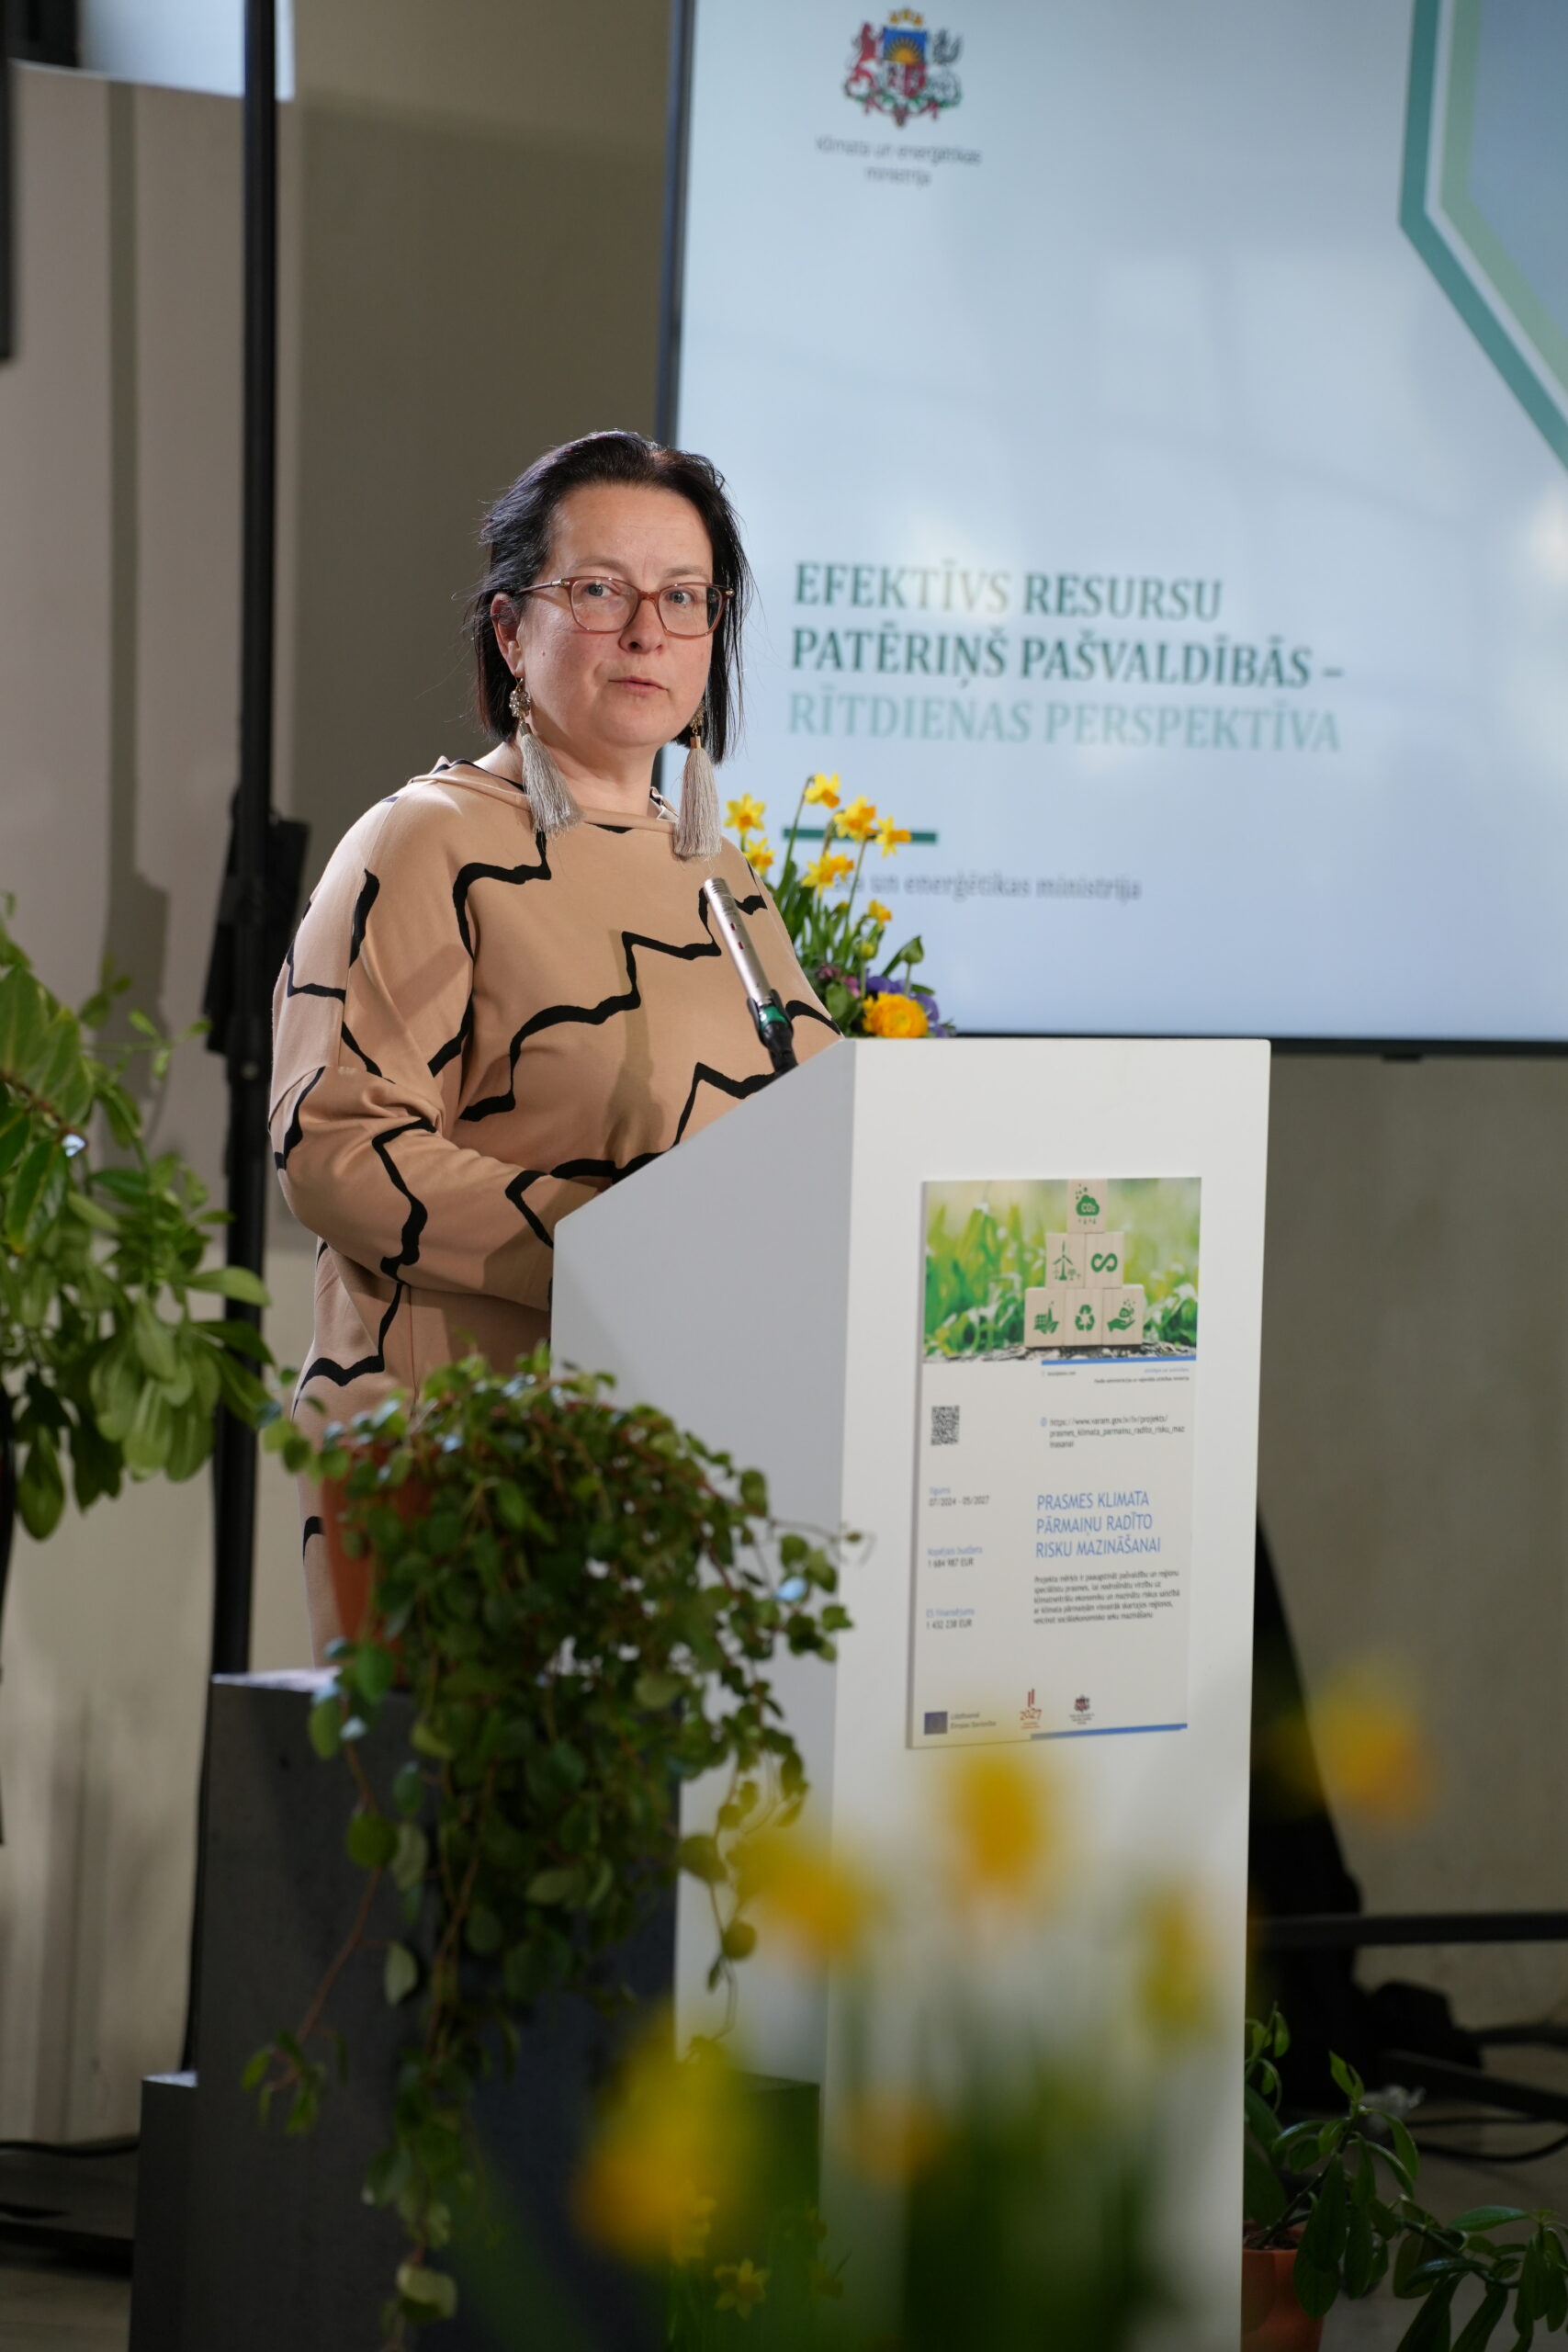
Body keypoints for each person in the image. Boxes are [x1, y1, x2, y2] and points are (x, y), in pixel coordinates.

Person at [271, 430, 836, 1656]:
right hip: (469, 1473)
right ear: (508, 628)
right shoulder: (426, 840)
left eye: (683, 597)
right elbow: (335, 1146)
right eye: (598, 590)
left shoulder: (717, 871)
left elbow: (808, 1133)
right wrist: (617, 1248)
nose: (646, 632)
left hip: (684, 1461)